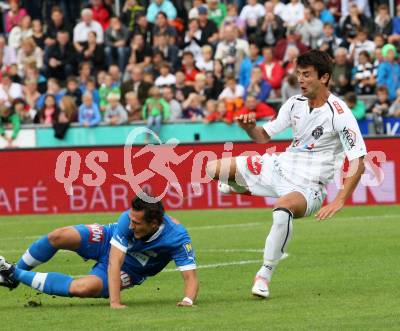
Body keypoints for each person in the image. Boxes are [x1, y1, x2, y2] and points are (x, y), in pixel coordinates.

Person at [205, 50, 367, 299]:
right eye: (299, 74)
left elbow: (358, 159)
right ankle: (240, 187)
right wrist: (249, 128)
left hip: (308, 186)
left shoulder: (340, 114)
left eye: (307, 75)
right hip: (278, 167)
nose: (300, 80)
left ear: (324, 78)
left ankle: (264, 275)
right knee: (213, 169)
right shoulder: (294, 104)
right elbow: (263, 136)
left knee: (282, 209)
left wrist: (340, 199)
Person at [0, 196, 198, 309]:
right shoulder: (126, 221)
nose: (130, 225)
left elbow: (190, 278)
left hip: (131, 269)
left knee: (83, 289)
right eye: (130, 220)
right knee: (59, 236)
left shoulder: (177, 238)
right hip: (107, 240)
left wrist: (188, 301)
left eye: (136, 223)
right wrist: (115, 302)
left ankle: (12, 272)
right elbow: (114, 260)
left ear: (154, 224)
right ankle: (14, 276)